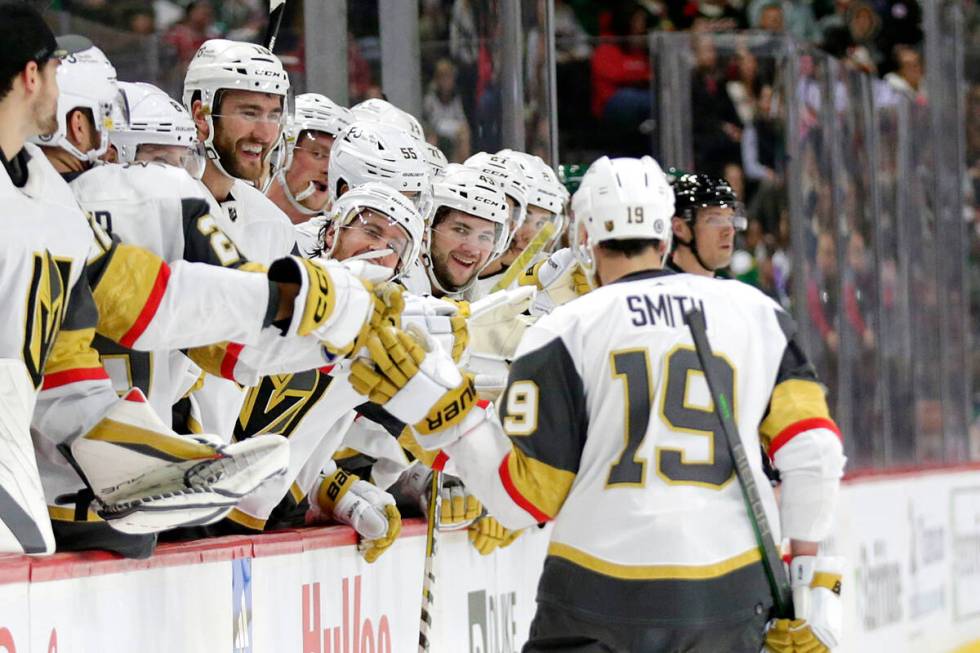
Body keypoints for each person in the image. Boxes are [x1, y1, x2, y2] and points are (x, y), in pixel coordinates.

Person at [354, 155, 846, 652]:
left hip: (597, 594)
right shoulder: (756, 313)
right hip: (731, 591)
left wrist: (447, 412)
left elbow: (522, 501)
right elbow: (815, 452)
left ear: (585, 238)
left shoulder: (566, 329)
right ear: (665, 236)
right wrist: (813, 592)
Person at [266, 92, 354, 226]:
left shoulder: (335, 239)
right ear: (282, 150)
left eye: (337, 160)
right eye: (318, 154)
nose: (328, 170)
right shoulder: (238, 216)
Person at [667, 173, 747, 276]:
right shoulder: (654, 289)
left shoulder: (735, 289)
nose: (729, 231)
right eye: (715, 220)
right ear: (679, 228)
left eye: (730, 219)